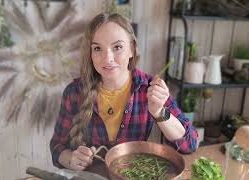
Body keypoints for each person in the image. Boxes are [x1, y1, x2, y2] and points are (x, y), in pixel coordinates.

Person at [50, 13, 198, 171]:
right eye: (98, 48)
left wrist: (160, 112)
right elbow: (57, 146)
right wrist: (71, 159)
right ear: (90, 53)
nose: (108, 59)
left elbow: (190, 144)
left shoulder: (149, 88)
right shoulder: (74, 92)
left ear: (132, 49)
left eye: (117, 47)